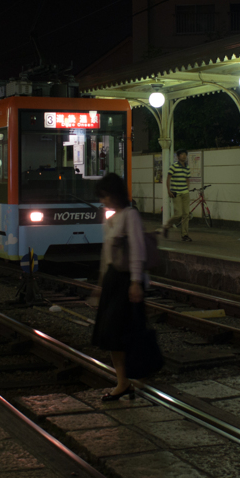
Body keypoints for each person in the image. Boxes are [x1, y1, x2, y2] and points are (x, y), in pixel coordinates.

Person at [92, 172, 146, 401]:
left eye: (105, 196)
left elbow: (137, 249)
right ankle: (123, 382)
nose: (103, 201)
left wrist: (135, 282)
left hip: (126, 280)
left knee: (119, 331)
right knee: (111, 333)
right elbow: (107, 253)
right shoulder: (111, 217)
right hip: (113, 279)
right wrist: (100, 283)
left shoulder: (130, 215)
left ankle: (127, 381)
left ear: (115, 194)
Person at [162, 149, 192, 242]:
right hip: (176, 193)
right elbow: (168, 179)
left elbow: (187, 179)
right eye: (182, 155)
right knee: (178, 214)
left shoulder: (187, 167)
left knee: (186, 214)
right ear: (178, 157)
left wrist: (187, 188)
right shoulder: (173, 167)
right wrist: (168, 190)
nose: (184, 156)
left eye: (185, 155)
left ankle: (185, 235)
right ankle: (166, 226)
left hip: (185, 193)